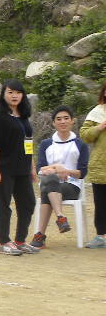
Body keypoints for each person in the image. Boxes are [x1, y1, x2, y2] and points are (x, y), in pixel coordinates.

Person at [0, 80, 38, 255]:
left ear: (23, 95)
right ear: (3, 94)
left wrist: (32, 167)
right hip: (4, 167)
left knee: (28, 203)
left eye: (18, 92)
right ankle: (4, 242)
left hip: (23, 167)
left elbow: (28, 144)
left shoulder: (23, 117)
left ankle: (20, 240)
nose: (14, 96)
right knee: (3, 204)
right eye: (10, 92)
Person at [31, 105, 88, 249]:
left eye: (66, 118)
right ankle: (60, 217)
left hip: (71, 186)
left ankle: (40, 236)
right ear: (53, 123)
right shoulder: (46, 144)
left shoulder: (80, 144)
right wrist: (56, 168)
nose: (63, 122)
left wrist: (67, 171)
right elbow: (40, 168)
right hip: (50, 182)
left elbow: (82, 172)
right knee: (50, 181)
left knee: (47, 189)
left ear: (72, 121)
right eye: (59, 119)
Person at [79, 83, 106, 248]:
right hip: (101, 165)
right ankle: (101, 236)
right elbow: (84, 135)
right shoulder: (97, 112)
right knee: (101, 202)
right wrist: (99, 127)